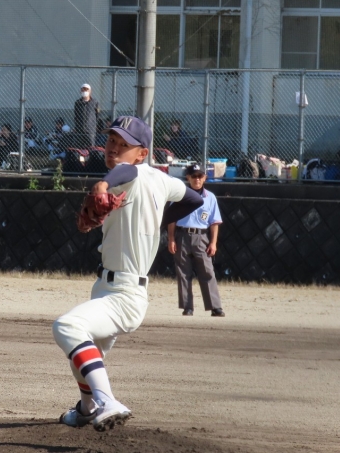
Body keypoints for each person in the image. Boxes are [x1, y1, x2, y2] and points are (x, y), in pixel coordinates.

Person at [52, 116, 203, 431]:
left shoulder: (128, 174)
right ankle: (86, 408)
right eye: (112, 140)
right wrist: (160, 217)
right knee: (86, 355)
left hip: (124, 295)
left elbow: (126, 171)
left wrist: (103, 184)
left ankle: (107, 401)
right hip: (110, 288)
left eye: (124, 145)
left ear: (142, 153)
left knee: (68, 327)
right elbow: (194, 198)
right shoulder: (162, 180)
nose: (114, 148)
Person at [167, 164, 224, 317]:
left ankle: (215, 306)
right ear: (188, 178)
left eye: (200, 176)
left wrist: (213, 243)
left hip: (201, 236)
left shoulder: (210, 197)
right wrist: (171, 239)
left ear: (204, 178)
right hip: (182, 235)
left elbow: (214, 222)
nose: (197, 179)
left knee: (207, 271)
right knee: (183, 272)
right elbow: (171, 219)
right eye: (194, 176)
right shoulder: (180, 196)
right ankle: (187, 307)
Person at [74, 83, 99, 148]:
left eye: (86, 90)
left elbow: (97, 115)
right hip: (80, 129)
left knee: (91, 147)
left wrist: (95, 126)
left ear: (90, 91)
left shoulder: (94, 102)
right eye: (83, 90)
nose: (84, 91)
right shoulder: (78, 103)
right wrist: (77, 126)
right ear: (80, 91)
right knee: (79, 147)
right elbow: (76, 115)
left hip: (90, 130)